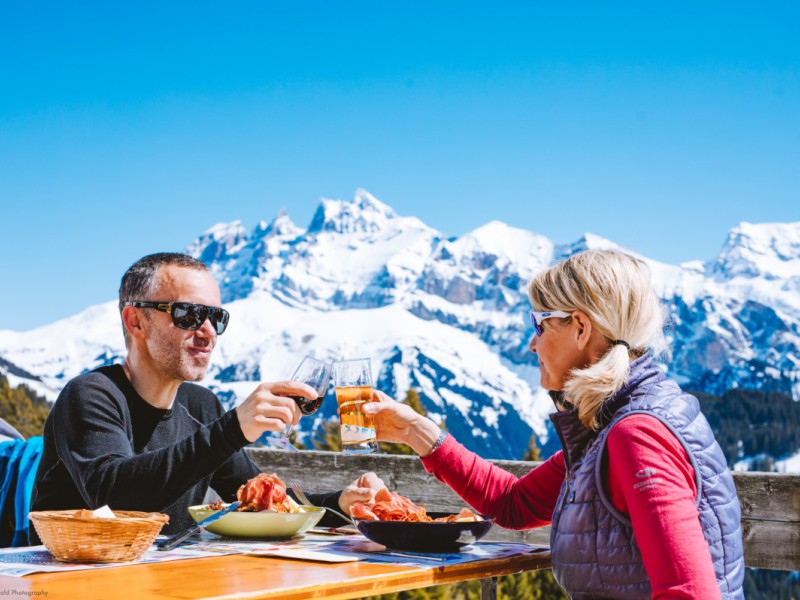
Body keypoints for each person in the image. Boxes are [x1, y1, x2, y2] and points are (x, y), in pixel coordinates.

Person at [364, 249, 744, 599]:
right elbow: (515, 504)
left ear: (580, 327)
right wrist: (414, 431)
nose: (533, 344)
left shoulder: (636, 435)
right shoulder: (612, 426)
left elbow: (691, 593)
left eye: (540, 324)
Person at [31, 252, 384, 535]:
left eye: (216, 318)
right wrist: (233, 429)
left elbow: (259, 501)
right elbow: (114, 497)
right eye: (189, 314)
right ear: (135, 321)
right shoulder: (91, 395)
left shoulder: (200, 404)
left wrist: (341, 502)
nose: (207, 332)